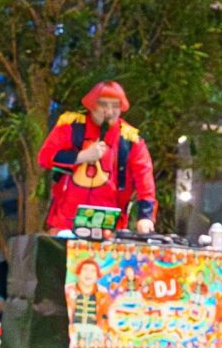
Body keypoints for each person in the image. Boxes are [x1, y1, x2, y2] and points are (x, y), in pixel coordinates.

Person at [40, 81, 157, 234]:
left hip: (109, 222)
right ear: (92, 105)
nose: (109, 111)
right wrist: (81, 156)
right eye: (103, 105)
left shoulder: (130, 139)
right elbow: (45, 157)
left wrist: (146, 217)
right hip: (66, 219)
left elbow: (144, 179)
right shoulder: (72, 125)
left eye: (115, 106)